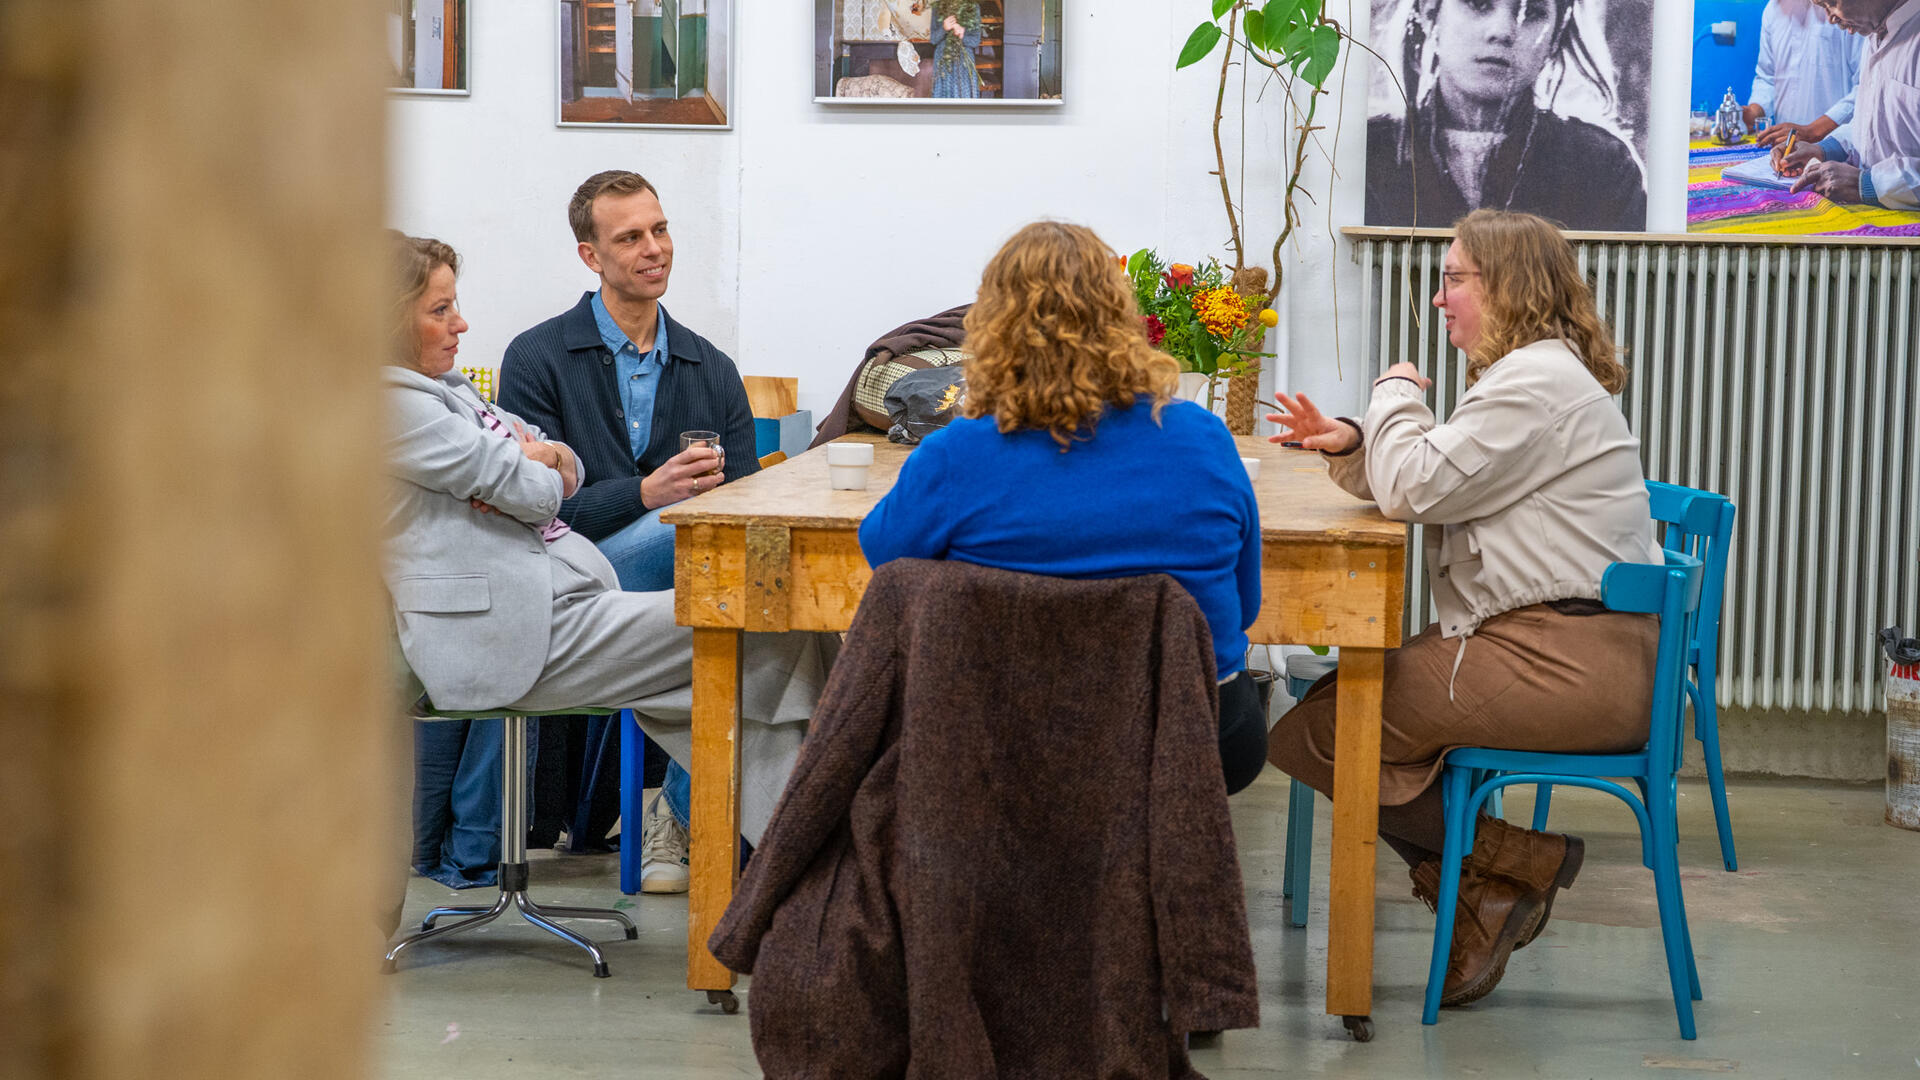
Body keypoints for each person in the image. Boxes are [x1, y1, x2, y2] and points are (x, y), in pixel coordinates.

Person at [1264, 209, 1661, 1008]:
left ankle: (1507, 875)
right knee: (1338, 717)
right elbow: (1439, 476)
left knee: (1321, 729)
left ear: (1508, 287)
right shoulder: (1530, 376)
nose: (1440, 297)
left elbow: (1414, 484)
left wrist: (1393, 394)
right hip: (1561, 647)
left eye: (1455, 279)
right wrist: (1354, 442)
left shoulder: (1535, 382)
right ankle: (1498, 879)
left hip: (1566, 662)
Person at [384, 234, 831, 883]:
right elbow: (542, 491)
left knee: (757, 682)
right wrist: (532, 469)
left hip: (556, 607)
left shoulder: (446, 388)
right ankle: (815, 869)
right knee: (772, 634)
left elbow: (558, 462)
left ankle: (795, 868)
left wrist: (536, 464)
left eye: (456, 305)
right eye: (440, 310)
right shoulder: (393, 403)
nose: (462, 323)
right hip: (509, 635)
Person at [858, 221, 1268, 795]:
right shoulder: (1204, 438)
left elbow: (884, 560)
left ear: (991, 329)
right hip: (1197, 732)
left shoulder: (959, 453)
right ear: (1123, 319)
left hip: (1011, 734)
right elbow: (1244, 607)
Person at [500, 170, 762, 893]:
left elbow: (737, 508)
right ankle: (691, 824)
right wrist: (645, 494)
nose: (655, 249)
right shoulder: (538, 357)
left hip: (686, 578)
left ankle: (678, 813)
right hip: (567, 572)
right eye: (631, 237)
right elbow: (530, 509)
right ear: (592, 257)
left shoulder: (711, 367)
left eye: (662, 229)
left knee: (740, 595)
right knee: (714, 565)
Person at [1365, 0, 1647, 230]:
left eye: (1532, 12)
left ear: (1555, 35)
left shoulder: (1599, 168)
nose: (1502, 31)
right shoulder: (1370, 154)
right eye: (1478, 4)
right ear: (1430, 14)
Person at [1772, 0, 1919, 210]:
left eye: (1830, 3)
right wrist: (1823, 150)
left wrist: (1868, 184)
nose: (1830, 18)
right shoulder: (1876, 34)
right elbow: (1874, 126)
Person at [1740, 0, 1864, 150]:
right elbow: (1768, 78)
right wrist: (1754, 112)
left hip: (1838, 151)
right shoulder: (1772, 9)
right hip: (1783, 149)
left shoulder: (1846, 8)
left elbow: (1865, 88)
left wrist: (1812, 131)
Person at [930, 0, 982, 99]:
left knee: (964, 100)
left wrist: (962, 34)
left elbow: (975, 41)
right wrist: (944, 28)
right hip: (943, 62)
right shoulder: (937, 6)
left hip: (964, 65)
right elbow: (933, 40)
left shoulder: (973, 7)